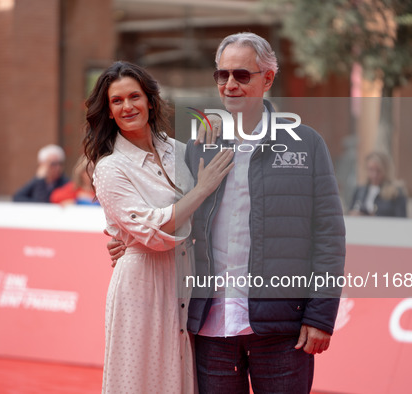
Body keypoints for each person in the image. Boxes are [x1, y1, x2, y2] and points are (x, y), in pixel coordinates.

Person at [108, 33, 346, 393]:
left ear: (267, 78)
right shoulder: (196, 148)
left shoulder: (307, 144)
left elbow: (329, 235)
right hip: (210, 330)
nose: (230, 84)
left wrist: (320, 316)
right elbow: (162, 209)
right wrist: (124, 241)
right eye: (222, 75)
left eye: (242, 75)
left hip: (281, 330)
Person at [85, 61, 233, 394]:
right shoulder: (110, 169)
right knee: (141, 381)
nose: (128, 106)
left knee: (178, 380)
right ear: (108, 112)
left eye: (134, 96)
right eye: (117, 101)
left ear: (150, 101)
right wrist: (200, 189)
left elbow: (208, 214)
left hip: (186, 281)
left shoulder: (180, 152)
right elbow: (151, 233)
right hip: (141, 286)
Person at [349, 151, 407, 217]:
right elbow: (351, 211)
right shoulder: (360, 190)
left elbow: (401, 218)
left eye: (378, 170)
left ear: (386, 170)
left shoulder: (395, 192)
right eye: (371, 170)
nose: (374, 175)